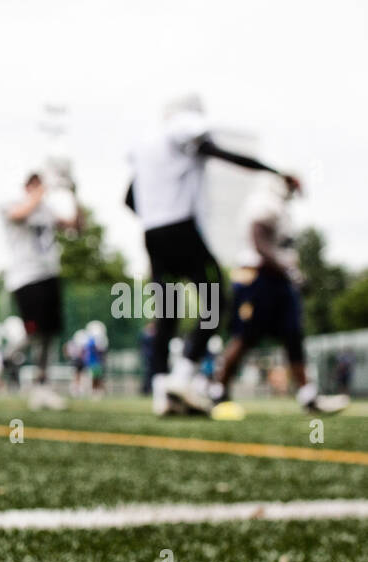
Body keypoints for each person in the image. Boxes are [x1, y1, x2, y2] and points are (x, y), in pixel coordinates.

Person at [126, 94, 299, 414]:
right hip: (180, 227)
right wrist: (271, 170)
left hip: (152, 232)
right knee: (215, 302)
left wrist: (156, 209)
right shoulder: (182, 128)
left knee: (167, 312)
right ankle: (183, 375)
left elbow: (129, 199)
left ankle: (163, 394)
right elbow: (214, 150)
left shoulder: (146, 144)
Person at [211, 177, 349, 416]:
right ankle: (217, 390)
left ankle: (308, 396)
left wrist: (289, 274)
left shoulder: (279, 207)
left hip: (278, 281)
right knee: (245, 336)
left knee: (293, 335)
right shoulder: (266, 201)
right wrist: (291, 272)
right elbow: (258, 239)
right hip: (258, 278)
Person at [1, 172, 82, 411]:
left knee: (49, 333)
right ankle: (5, 359)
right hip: (25, 277)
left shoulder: (47, 210)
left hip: (49, 275)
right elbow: (19, 214)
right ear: (27, 186)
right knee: (35, 331)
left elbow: (75, 227)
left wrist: (74, 195)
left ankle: (41, 386)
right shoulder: (14, 204)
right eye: (35, 185)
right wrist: (42, 190)